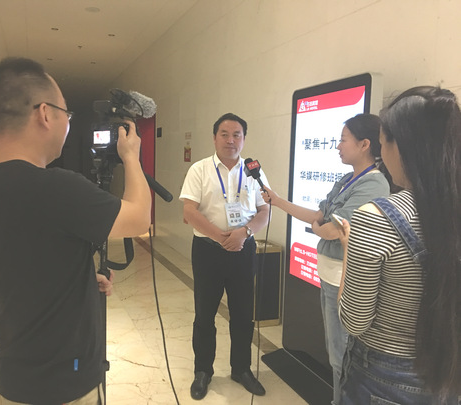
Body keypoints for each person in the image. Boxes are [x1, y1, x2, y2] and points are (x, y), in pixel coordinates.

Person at [0, 57, 151, 405]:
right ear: (45, 113)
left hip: (9, 380)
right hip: (66, 384)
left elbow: (16, 272)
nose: (68, 122)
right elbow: (139, 219)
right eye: (66, 113)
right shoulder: (59, 188)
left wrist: (78, 279)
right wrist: (132, 156)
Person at [337, 86, 461, 404]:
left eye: (383, 144)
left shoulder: (376, 217)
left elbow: (354, 320)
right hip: (449, 374)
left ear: (399, 146)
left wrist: (350, 249)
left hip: (384, 378)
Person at [261, 113, 390, 405]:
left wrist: (320, 228)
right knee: (336, 353)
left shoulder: (374, 184)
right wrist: (278, 201)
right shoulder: (347, 179)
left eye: (343, 140)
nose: (338, 146)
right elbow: (318, 217)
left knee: (341, 355)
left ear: (365, 144)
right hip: (329, 277)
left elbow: (334, 229)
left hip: (343, 281)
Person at [180, 113, 270, 400]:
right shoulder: (199, 169)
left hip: (244, 250)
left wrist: (243, 233)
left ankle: (241, 369)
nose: (231, 140)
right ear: (214, 137)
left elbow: (265, 210)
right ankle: (202, 371)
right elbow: (189, 211)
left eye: (237, 135)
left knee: (243, 314)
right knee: (204, 314)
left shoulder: (254, 171)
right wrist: (222, 238)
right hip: (208, 251)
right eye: (224, 134)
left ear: (244, 138)